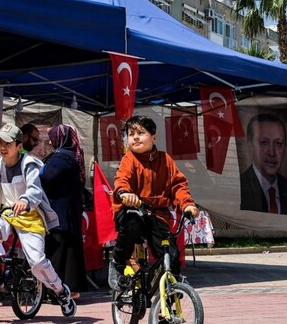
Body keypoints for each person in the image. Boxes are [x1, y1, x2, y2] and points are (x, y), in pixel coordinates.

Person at [0, 123, 77, 318]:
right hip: (7, 215)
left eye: (8, 143)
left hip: (29, 216)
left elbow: (35, 191)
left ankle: (61, 291)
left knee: (37, 262)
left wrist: (25, 200)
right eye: (0, 142)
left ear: (19, 145)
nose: (2, 146)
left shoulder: (29, 164)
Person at [108, 115, 199, 292]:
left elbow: (178, 185)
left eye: (141, 133)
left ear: (154, 137)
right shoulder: (129, 159)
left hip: (158, 215)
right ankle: (118, 263)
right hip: (132, 211)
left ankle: (169, 297)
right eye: (131, 133)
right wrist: (125, 193)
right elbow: (122, 179)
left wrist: (187, 204)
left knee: (170, 255)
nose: (135, 137)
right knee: (132, 223)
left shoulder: (166, 160)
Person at [41, 124, 87, 298]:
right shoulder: (72, 155)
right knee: (70, 250)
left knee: (58, 250)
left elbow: (45, 178)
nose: (51, 141)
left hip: (59, 212)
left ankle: (57, 290)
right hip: (69, 211)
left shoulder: (61, 158)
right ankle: (71, 289)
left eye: (53, 137)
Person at [240, 114, 287, 215]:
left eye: (278, 143)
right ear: (250, 145)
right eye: (264, 142)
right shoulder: (240, 187)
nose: (272, 152)